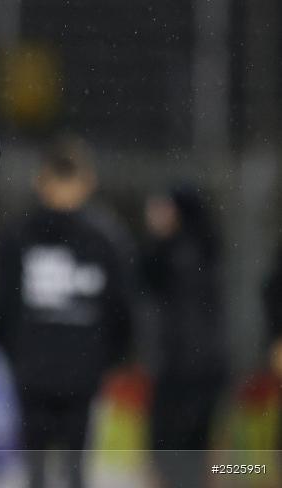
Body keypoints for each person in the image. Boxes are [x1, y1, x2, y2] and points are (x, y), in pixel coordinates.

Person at [0, 135, 134, 488]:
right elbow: (122, 310)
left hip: (44, 369)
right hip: (71, 371)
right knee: (69, 470)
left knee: (44, 471)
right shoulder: (105, 237)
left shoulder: (20, 234)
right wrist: (109, 358)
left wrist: (16, 352)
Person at [142, 185, 225, 488]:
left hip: (183, 367)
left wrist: (158, 237)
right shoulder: (205, 247)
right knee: (194, 447)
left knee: (171, 448)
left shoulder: (179, 251)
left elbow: (149, 274)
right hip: (200, 364)